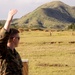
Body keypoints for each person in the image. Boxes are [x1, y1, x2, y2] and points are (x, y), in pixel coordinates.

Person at [0, 9, 23, 75]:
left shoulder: (15, 53)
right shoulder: (3, 52)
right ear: (14, 39)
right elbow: (2, 38)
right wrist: (8, 20)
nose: (19, 40)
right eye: (18, 38)